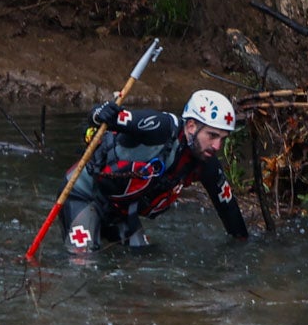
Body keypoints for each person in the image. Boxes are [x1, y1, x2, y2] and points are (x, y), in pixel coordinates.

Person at [59, 89, 248, 253]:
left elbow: (230, 212)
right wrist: (100, 112)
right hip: (83, 195)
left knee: (142, 262)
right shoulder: (160, 127)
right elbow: (100, 117)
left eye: (222, 138)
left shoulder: (207, 164)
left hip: (120, 212)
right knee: (83, 262)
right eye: (212, 135)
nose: (217, 146)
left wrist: (241, 251)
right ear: (191, 126)